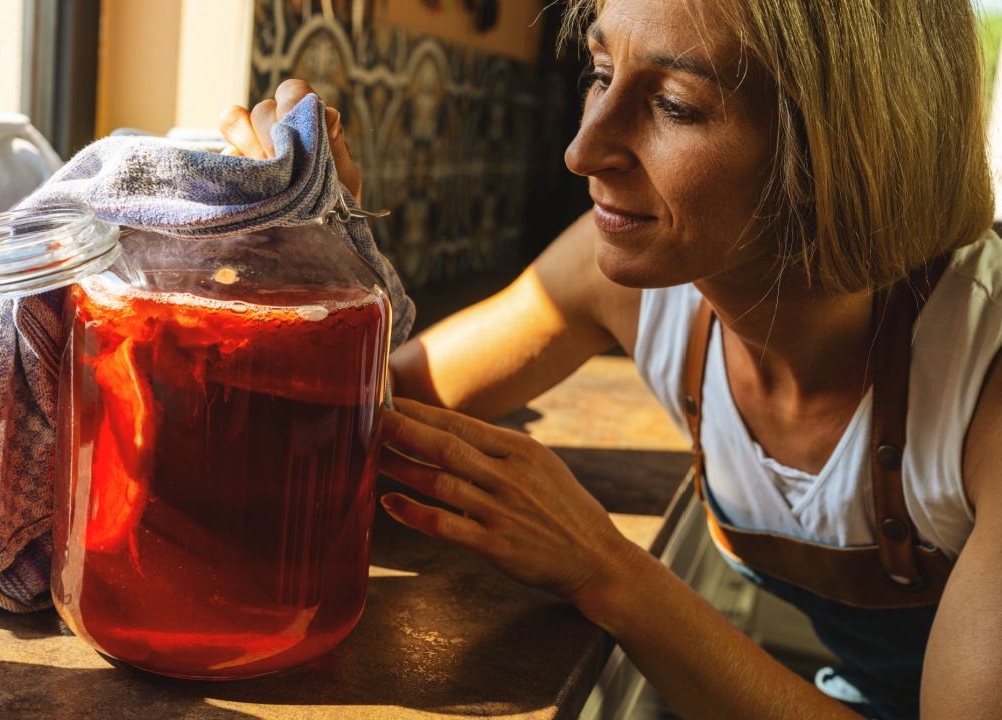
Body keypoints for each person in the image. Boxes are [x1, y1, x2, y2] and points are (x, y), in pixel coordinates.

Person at [218, 0, 1002, 717]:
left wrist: (606, 570)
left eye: (674, 105)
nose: (583, 149)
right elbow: (371, 417)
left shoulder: (982, 380)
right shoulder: (622, 278)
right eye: (601, 73)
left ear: (850, 146)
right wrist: (314, 258)